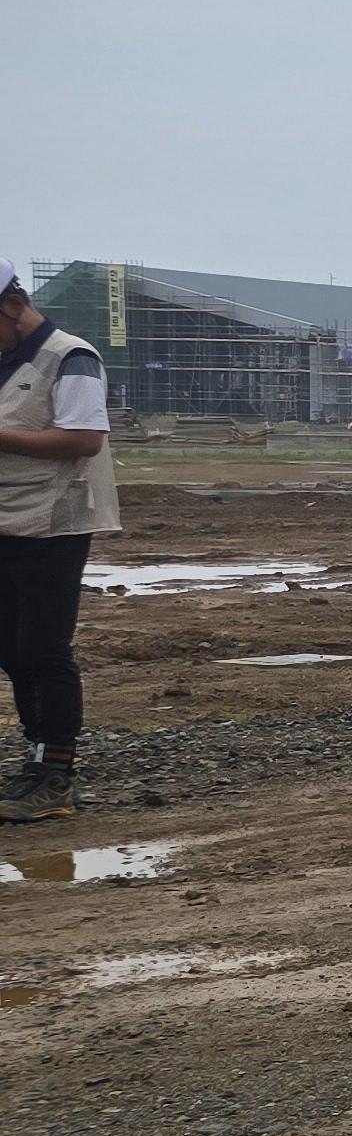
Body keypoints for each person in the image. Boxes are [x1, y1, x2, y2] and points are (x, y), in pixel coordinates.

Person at [0, 256, 119, 825]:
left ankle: (54, 776)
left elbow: (85, 438)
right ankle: (36, 760)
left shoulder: (71, 358)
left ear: (14, 306)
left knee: (43, 650)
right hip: (4, 519)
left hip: (54, 523)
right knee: (10, 648)